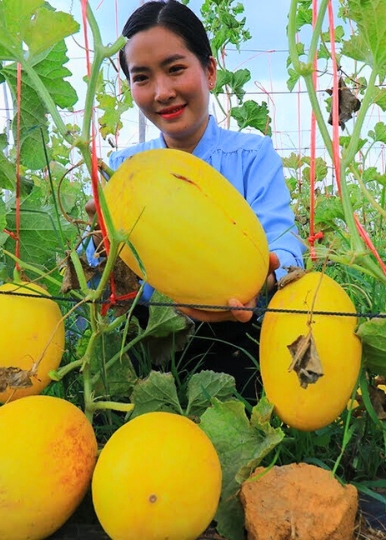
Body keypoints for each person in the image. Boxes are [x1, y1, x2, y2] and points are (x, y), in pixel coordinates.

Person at [87, 0, 304, 397]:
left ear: (209, 71)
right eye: (142, 78)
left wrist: (266, 279)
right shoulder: (121, 169)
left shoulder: (252, 156)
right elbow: (96, 269)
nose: (163, 92)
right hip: (144, 339)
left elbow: (283, 243)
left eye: (175, 69)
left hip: (234, 338)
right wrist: (100, 243)